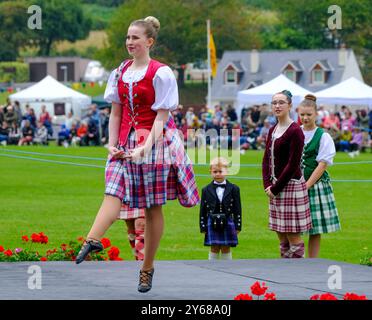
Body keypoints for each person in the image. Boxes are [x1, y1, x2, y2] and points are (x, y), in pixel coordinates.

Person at [74, 16, 200, 293]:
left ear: (149, 42)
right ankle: (92, 239)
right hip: (124, 141)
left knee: (151, 206)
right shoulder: (119, 72)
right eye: (128, 38)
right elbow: (116, 112)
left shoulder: (161, 73)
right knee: (113, 190)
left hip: (153, 140)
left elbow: (161, 117)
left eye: (135, 38)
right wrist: (111, 142)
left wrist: (144, 147)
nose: (130, 42)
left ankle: (147, 268)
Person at [262, 90, 312, 259]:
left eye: (281, 102)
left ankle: (298, 275)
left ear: (290, 105)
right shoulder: (272, 129)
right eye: (274, 102)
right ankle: (284, 271)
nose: (277, 106)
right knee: (281, 235)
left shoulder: (295, 130)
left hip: (290, 186)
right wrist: (267, 184)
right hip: (275, 187)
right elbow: (266, 160)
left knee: (293, 236)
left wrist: (275, 188)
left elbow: (293, 164)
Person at [298, 94, 341, 258]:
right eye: (302, 114)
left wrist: (307, 185)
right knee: (294, 226)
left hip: (315, 186)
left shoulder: (323, 136)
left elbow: (322, 164)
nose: (305, 118)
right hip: (295, 184)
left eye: (309, 114)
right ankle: (295, 259)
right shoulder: (295, 133)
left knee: (314, 228)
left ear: (316, 114)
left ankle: (312, 261)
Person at [199, 157, 242, 260]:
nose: (218, 174)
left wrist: (238, 225)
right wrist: (203, 226)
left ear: (227, 172)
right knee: (214, 247)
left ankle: (228, 268)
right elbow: (203, 210)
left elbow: (237, 209)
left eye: (220, 171)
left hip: (228, 221)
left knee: (226, 247)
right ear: (210, 172)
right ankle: (212, 269)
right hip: (211, 221)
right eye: (215, 171)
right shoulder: (205, 189)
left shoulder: (234, 188)